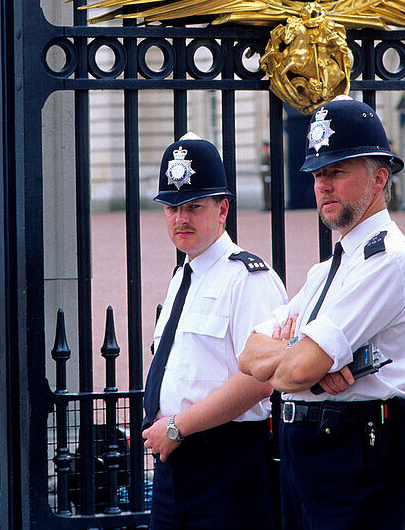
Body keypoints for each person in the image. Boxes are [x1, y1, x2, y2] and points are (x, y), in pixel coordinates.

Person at [239, 96, 405, 530]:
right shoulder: (327, 269)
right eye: (318, 173)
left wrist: (300, 358)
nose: (322, 184)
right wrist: (297, 352)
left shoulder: (391, 261)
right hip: (306, 453)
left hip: (356, 458)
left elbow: (294, 373)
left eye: (337, 171)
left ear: (379, 178)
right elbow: (247, 354)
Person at [142, 132, 287, 530]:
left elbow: (259, 382)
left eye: (194, 206)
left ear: (223, 210)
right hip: (174, 467)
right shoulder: (182, 276)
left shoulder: (248, 278)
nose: (180, 218)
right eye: (171, 208)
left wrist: (176, 426)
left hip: (228, 467)